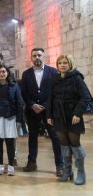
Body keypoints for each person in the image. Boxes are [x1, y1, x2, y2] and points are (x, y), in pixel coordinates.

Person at [47, 54, 91, 185]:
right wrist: (49, 115)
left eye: (65, 63)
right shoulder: (54, 79)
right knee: (64, 145)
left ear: (70, 64)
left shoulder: (77, 78)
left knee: (75, 144)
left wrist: (78, 114)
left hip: (73, 117)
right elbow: (50, 98)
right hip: (58, 117)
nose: (62, 65)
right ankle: (67, 171)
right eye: (60, 63)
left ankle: (81, 172)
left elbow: (86, 97)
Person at [21, 48, 63, 176]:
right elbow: (24, 92)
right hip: (32, 110)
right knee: (32, 137)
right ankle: (31, 162)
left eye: (39, 55)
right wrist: (32, 104)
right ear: (31, 57)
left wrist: (44, 105)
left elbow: (55, 91)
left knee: (54, 137)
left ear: (43, 56)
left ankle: (59, 166)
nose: (37, 57)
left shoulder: (53, 71)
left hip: (48, 110)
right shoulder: (26, 74)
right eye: (34, 55)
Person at [0, 64, 23, 176]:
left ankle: (11, 166)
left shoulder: (14, 86)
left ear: (7, 73)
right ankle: (1, 166)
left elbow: (20, 104)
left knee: (10, 144)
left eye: (3, 71)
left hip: (10, 118)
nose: (1, 74)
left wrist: (19, 121)